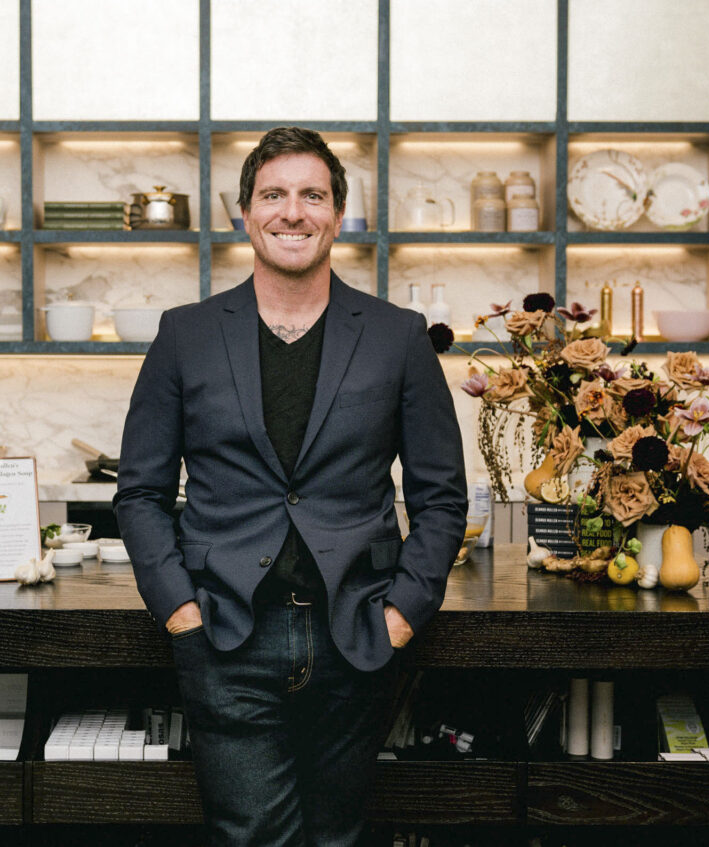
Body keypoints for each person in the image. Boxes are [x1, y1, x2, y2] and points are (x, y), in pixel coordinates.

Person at [114, 126, 467, 846]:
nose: (293, 212)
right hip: (226, 634)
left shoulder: (399, 336)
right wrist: (179, 609)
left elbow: (441, 497)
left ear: (337, 215)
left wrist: (402, 611)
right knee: (251, 835)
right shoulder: (184, 334)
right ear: (245, 213)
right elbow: (140, 492)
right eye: (274, 194)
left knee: (340, 836)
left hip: (356, 633)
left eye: (313, 195)